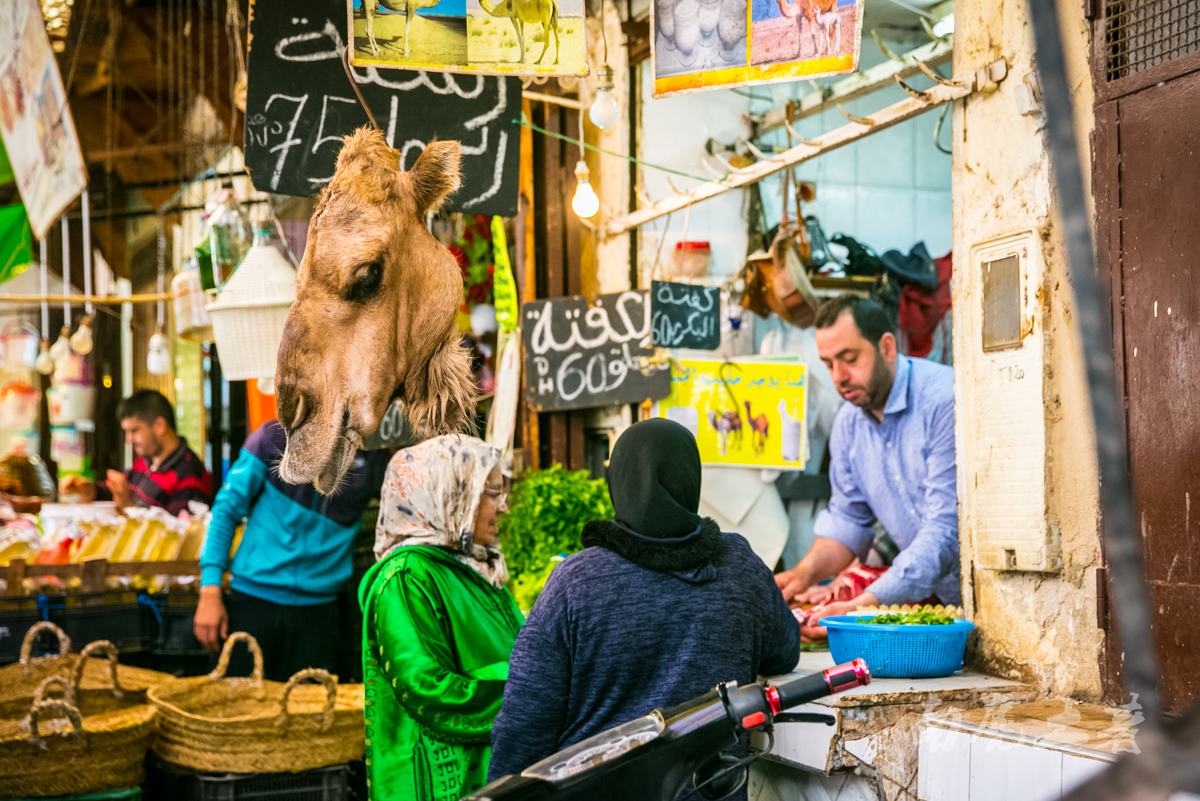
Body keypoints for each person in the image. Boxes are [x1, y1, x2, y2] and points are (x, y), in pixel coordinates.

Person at [489, 419, 800, 798]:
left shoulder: (576, 582)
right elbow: (785, 652)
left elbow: (523, 726)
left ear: (617, 483)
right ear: (691, 481)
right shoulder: (739, 564)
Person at [774, 294, 960, 621]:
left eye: (849, 358)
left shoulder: (944, 400)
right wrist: (801, 575)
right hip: (936, 605)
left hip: (987, 596)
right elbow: (848, 523)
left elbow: (945, 530)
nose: (838, 376)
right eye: (829, 363)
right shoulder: (848, 424)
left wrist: (863, 604)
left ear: (887, 347)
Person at [360, 435, 522, 801]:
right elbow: (425, 687)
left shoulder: (477, 568)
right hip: (439, 784)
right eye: (492, 493)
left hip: (490, 771)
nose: (504, 506)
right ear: (447, 494)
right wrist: (531, 697)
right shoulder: (406, 577)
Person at [194, 419, 388, 682]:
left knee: (310, 717)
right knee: (238, 713)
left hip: (318, 615)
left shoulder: (376, 458)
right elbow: (226, 511)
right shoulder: (271, 437)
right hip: (251, 603)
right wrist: (209, 591)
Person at [64, 389, 212, 516]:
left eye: (134, 430)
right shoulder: (144, 461)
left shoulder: (190, 476)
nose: (128, 440)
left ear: (159, 426)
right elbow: (117, 494)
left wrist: (128, 507)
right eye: (126, 432)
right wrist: (88, 490)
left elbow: (180, 538)